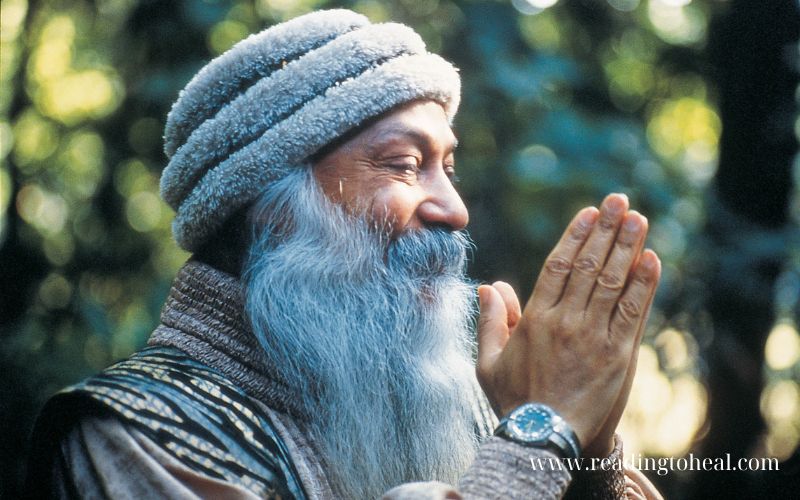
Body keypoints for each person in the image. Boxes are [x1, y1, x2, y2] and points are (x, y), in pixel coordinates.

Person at [26, 9, 663, 500]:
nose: (454, 209)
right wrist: (538, 437)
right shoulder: (133, 432)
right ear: (275, 206)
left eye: (449, 166)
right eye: (406, 165)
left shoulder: (455, 399)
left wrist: (588, 451)